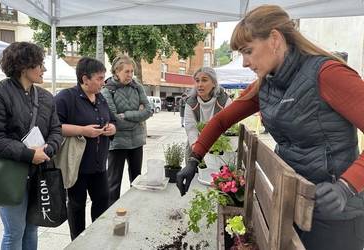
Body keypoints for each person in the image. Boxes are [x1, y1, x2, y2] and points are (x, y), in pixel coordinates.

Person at [176, 5, 364, 250]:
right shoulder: (267, 84)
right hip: (294, 203)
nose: (244, 63)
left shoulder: (327, 73)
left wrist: (346, 186)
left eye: (248, 51)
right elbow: (222, 120)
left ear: (274, 39)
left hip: (336, 215)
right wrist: (194, 159)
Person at [0, 42, 62, 250]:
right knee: (14, 231)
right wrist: (27, 154)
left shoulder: (45, 97)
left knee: (32, 228)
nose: (43, 69)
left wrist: (47, 150)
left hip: (38, 171)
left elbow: (56, 131)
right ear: (24, 66)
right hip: (9, 174)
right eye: (40, 64)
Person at [54, 57, 116, 240]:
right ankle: (78, 241)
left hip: (99, 165)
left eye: (104, 78)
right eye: (99, 78)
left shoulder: (101, 98)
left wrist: (112, 127)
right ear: (84, 79)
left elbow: (112, 120)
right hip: (77, 166)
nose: (102, 82)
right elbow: (55, 127)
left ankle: (98, 239)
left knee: (102, 201)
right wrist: (83, 131)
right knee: (76, 206)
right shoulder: (66, 97)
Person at [101, 55, 153, 205]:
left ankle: (135, 209)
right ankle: (112, 215)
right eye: (126, 72)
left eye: (131, 71)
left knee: (137, 180)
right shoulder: (107, 90)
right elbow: (113, 119)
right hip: (117, 143)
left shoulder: (137, 87)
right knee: (113, 183)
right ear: (116, 72)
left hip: (136, 142)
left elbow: (148, 111)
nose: (130, 75)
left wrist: (127, 115)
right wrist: (138, 118)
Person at [184, 67, 231, 158]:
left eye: (204, 80)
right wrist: (196, 148)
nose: (200, 84)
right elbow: (191, 128)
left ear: (214, 83)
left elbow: (229, 128)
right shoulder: (191, 102)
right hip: (196, 145)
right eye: (197, 81)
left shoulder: (225, 101)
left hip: (219, 147)